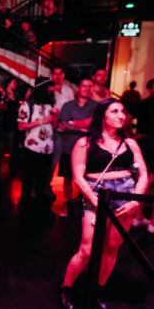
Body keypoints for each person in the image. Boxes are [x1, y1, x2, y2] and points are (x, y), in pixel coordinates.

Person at [59, 99, 148, 309]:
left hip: (125, 194)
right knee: (87, 249)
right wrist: (94, 200)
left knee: (112, 246)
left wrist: (135, 201)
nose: (121, 116)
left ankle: (97, 290)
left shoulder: (130, 143)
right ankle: (66, 289)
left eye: (123, 112)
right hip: (97, 194)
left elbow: (143, 174)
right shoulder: (85, 143)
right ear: (102, 115)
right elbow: (78, 176)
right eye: (115, 111)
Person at [17, 77, 58, 214]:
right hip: (32, 148)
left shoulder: (50, 105)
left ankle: (39, 210)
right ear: (42, 88)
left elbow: (54, 127)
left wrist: (55, 116)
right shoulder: (27, 105)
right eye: (49, 87)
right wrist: (40, 121)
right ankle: (24, 210)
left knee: (42, 179)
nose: (51, 89)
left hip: (48, 148)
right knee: (29, 178)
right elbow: (21, 126)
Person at [58, 79, 98, 213]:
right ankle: (68, 205)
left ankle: (85, 207)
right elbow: (63, 125)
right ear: (78, 88)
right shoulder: (68, 105)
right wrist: (83, 128)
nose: (87, 88)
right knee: (67, 179)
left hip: (89, 149)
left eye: (89, 86)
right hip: (69, 147)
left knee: (87, 180)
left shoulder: (96, 106)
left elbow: (93, 124)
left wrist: (73, 123)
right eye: (84, 86)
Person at [47, 67, 75, 194]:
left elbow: (72, 108)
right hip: (48, 128)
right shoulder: (48, 89)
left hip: (63, 130)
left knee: (57, 158)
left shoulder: (68, 90)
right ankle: (44, 183)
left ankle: (48, 183)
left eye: (60, 74)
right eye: (55, 74)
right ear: (52, 75)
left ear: (63, 75)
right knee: (48, 158)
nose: (57, 76)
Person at [132, 78, 154, 233]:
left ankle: (138, 217)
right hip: (148, 146)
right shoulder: (144, 104)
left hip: (145, 145)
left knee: (144, 181)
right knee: (146, 182)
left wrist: (133, 136)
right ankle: (151, 222)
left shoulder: (143, 103)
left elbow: (127, 118)